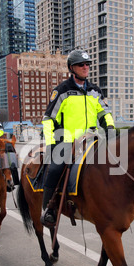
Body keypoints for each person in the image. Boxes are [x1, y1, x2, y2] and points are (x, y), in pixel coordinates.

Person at [41, 49, 115, 227]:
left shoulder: (95, 91)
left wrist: (111, 129)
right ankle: (49, 208)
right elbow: (48, 120)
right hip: (67, 141)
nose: (85, 67)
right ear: (71, 68)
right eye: (81, 64)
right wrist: (52, 144)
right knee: (55, 169)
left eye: (87, 64)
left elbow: (104, 114)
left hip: (92, 139)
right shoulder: (62, 91)